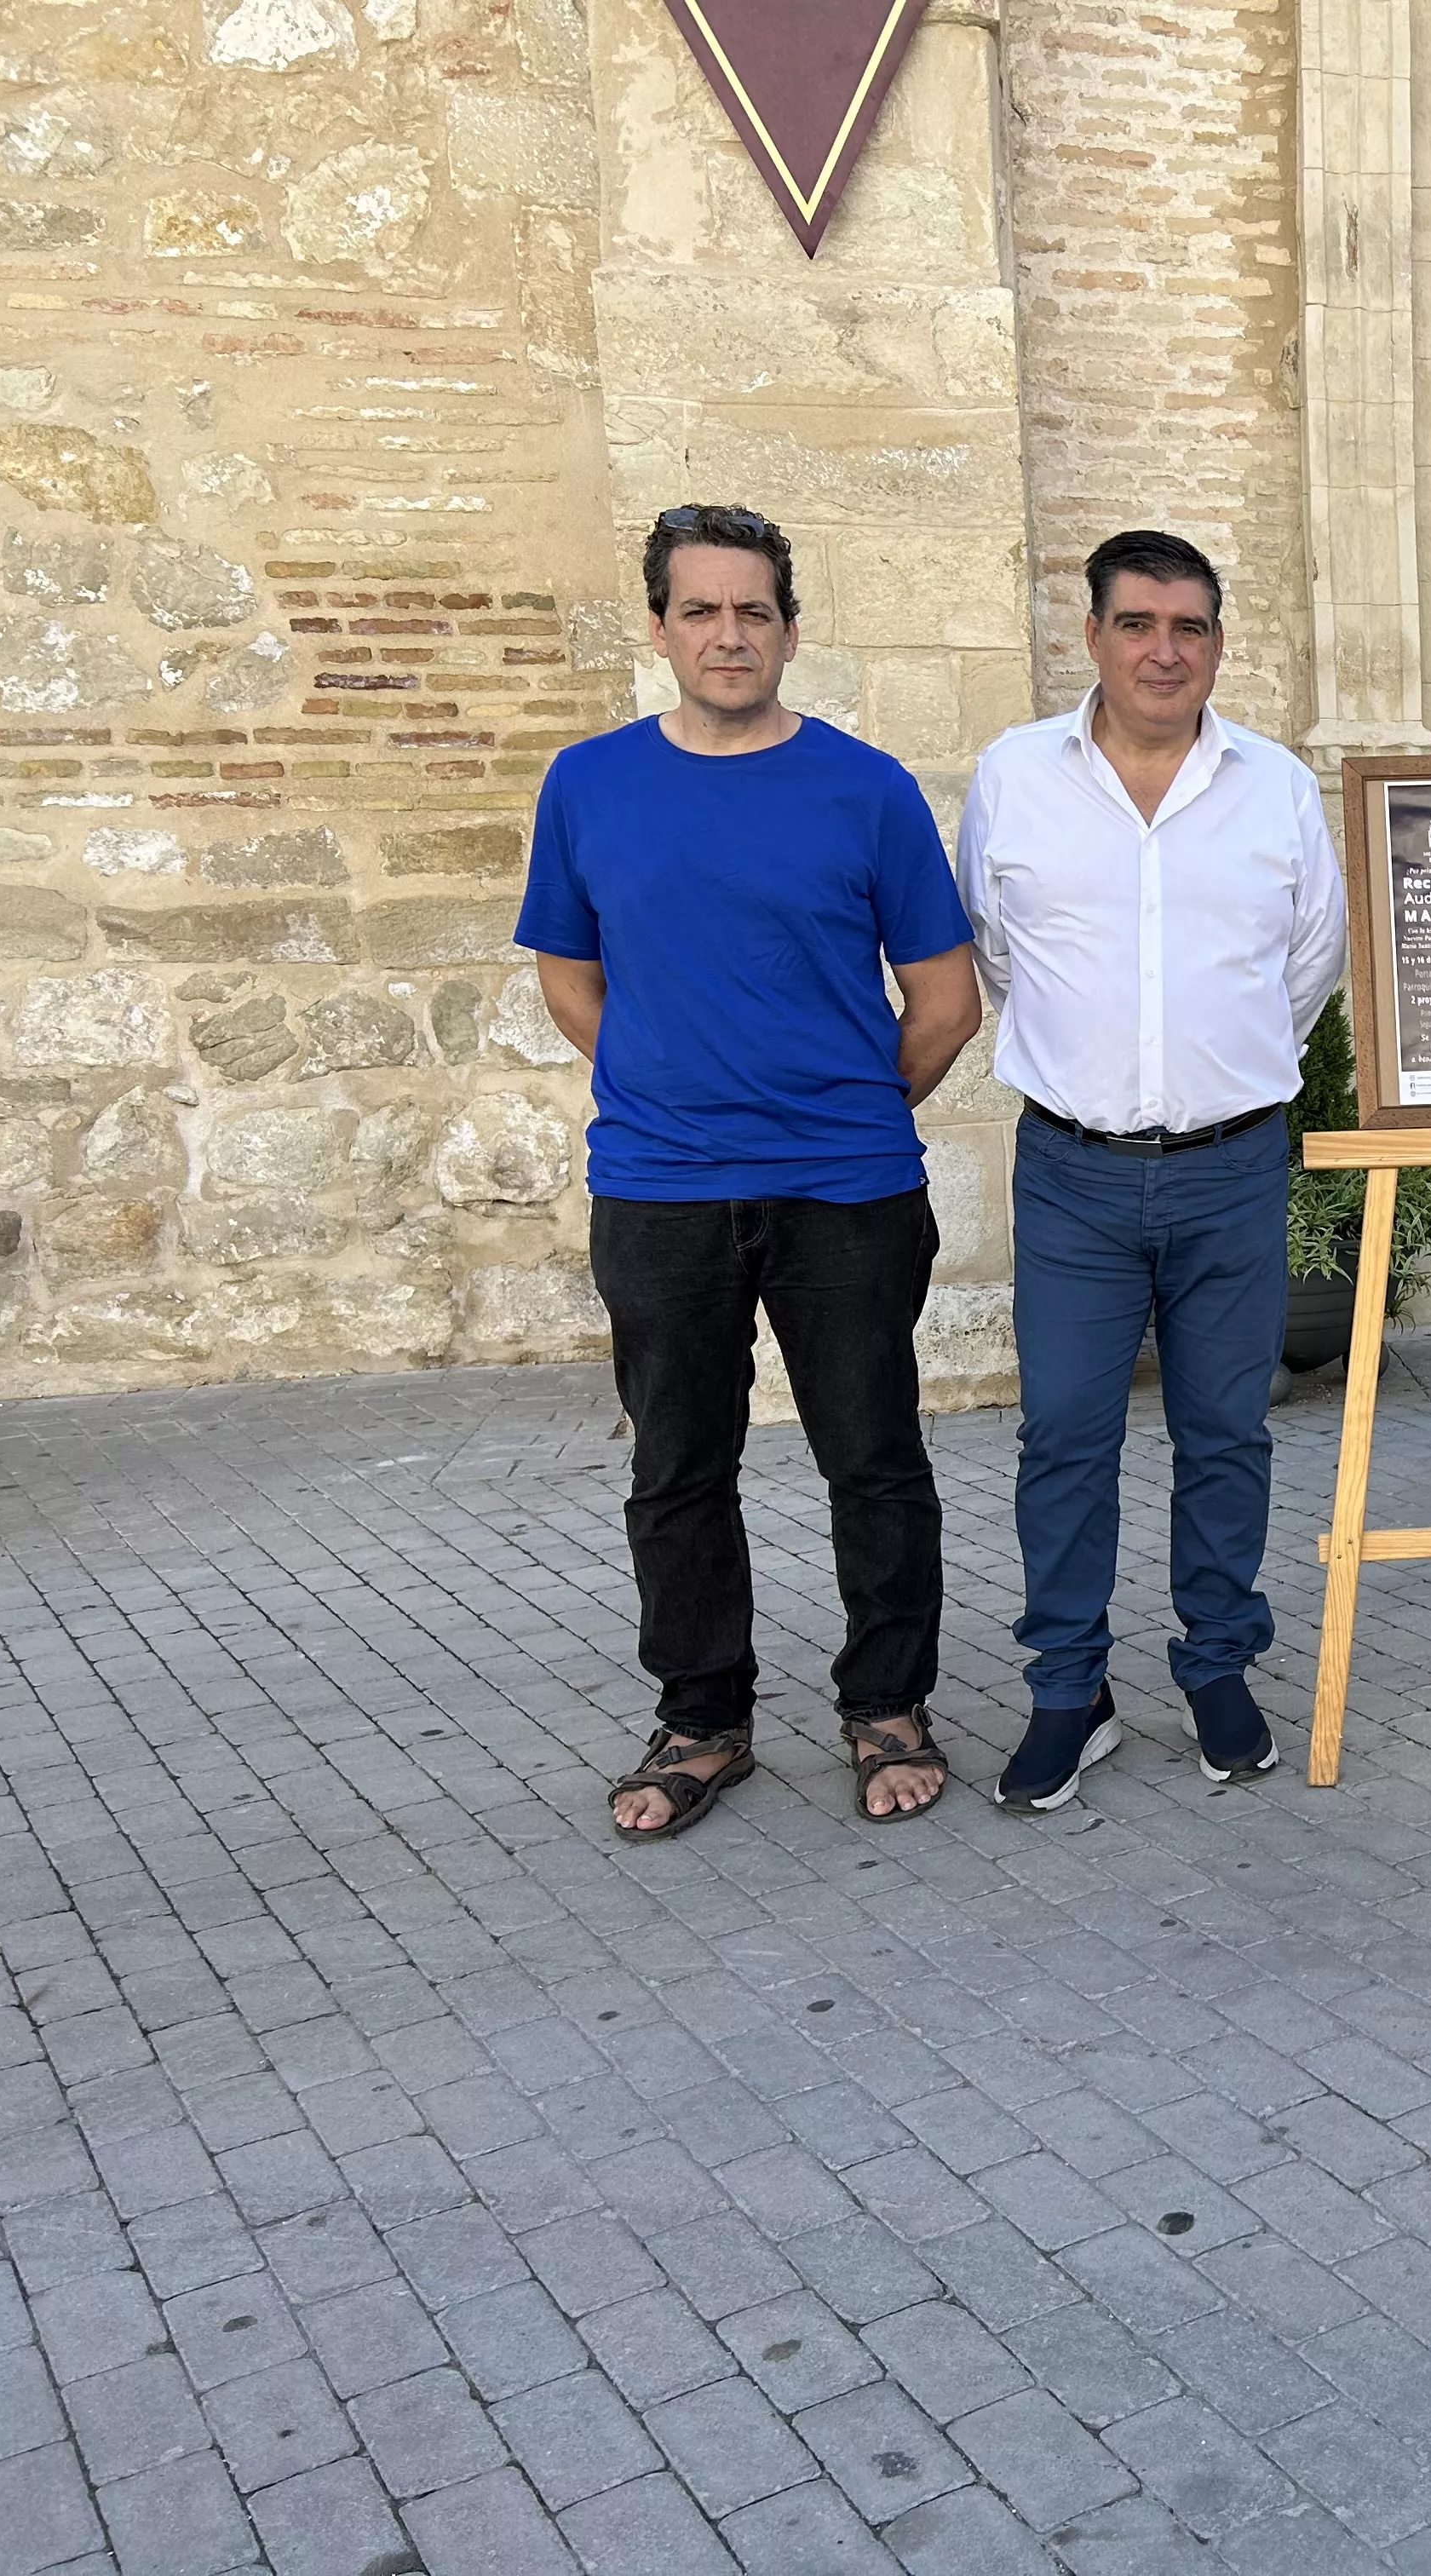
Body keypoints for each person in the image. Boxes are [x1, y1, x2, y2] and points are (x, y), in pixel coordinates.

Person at [520, 503, 983, 1839]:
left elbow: (945, 998)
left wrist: (834, 1105)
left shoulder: (866, 788)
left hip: (847, 1188)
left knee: (874, 1457)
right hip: (660, 1187)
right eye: (703, 610)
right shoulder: (589, 784)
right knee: (678, 1466)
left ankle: (889, 1706)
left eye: (755, 611)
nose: (731, 634)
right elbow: (569, 972)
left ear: (791, 628)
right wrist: (673, 1086)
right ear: (658, 625)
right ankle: (703, 1717)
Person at [957, 530, 1345, 1809]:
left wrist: (1211, 1079)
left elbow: (1308, 968)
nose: (1163, 650)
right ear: (1095, 637)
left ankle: (1219, 1665)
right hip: (1071, 1170)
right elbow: (999, 953)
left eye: (1189, 627)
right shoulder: (1015, 778)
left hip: (1231, 1168)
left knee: (1226, 1433)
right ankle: (1070, 1691)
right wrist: (1109, 1075)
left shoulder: (1278, 788)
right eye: (1137, 624)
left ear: (1219, 644)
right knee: (1064, 1435)